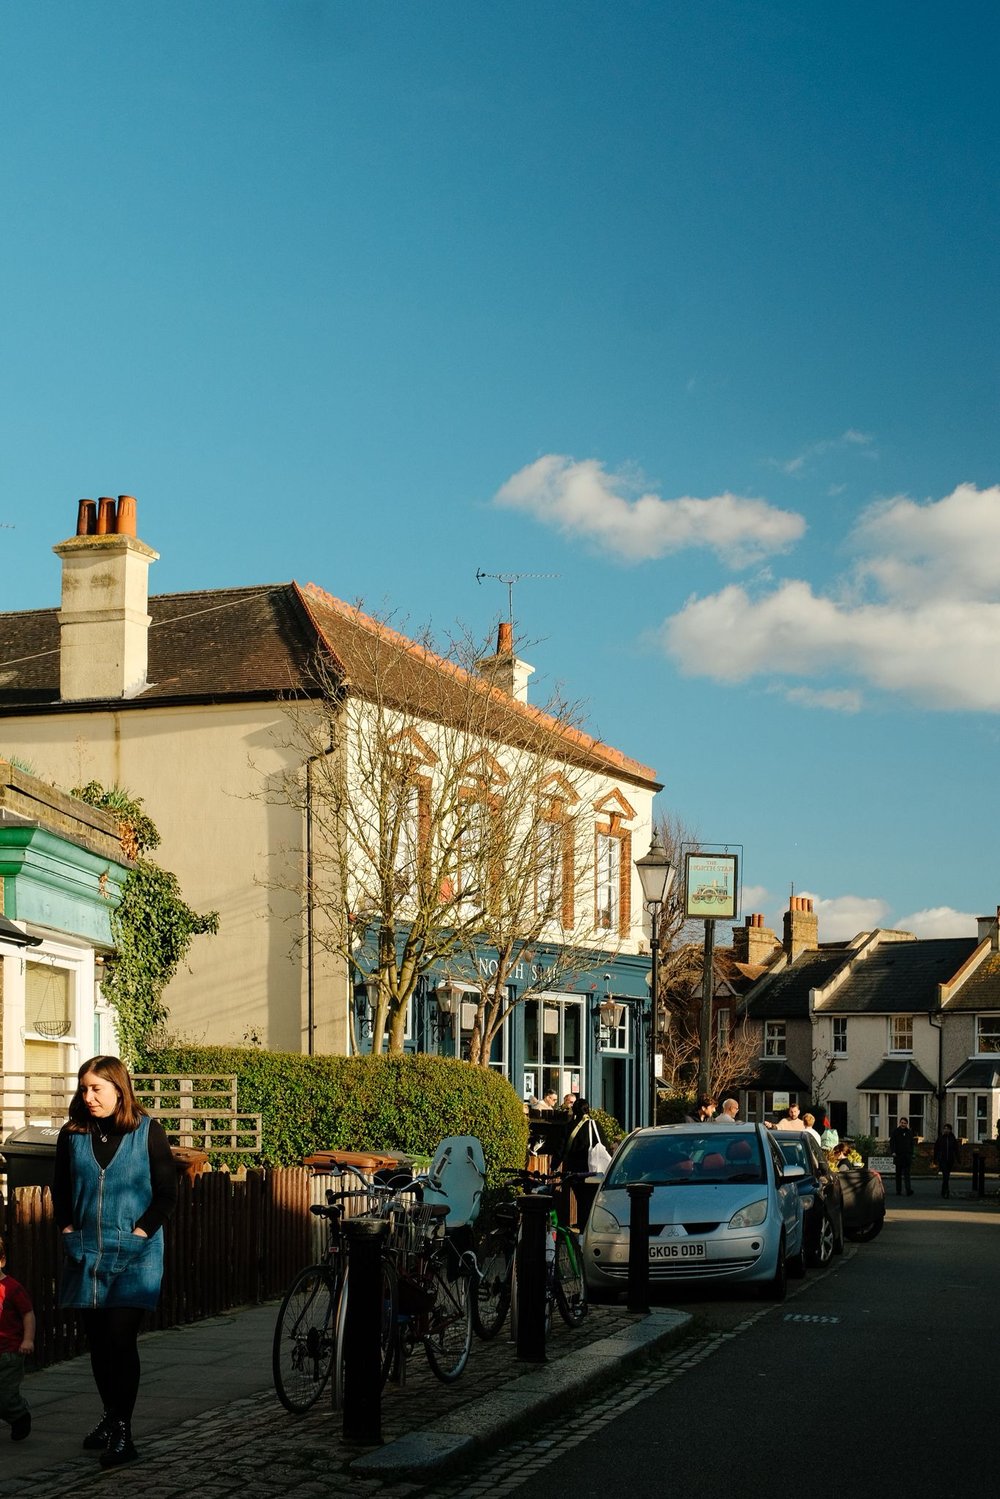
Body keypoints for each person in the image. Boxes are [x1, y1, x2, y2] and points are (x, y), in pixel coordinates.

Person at [53, 1055, 178, 1469]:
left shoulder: (148, 1132)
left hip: (137, 1255)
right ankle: (110, 1417)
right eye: (83, 1088)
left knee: (121, 1339)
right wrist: (69, 1232)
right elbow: (60, 1192)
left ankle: (123, 1432)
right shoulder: (72, 1135)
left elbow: (166, 1194)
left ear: (119, 1090)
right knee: (99, 1344)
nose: (88, 1097)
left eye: (97, 1089)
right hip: (85, 1252)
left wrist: (140, 1233)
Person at [0, 1235, 35, 1442]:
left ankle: (18, 1413)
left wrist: (28, 1339)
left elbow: (28, 1314)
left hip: (10, 1353)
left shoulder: (12, 1288)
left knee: (4, 1396)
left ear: (2, 1260)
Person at [933, 1122, 961, 1198]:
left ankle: (943, 1190)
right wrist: (935, 1159)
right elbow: (936, 1149)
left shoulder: (953, 1139)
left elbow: (956, 1149)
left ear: (950, 1130)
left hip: (950, 1160)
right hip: (942, 1160)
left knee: (947, 1176)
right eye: (945, 1129)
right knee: (945, 1175)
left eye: (947, 1129)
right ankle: (946, 1191)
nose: (946, 1130)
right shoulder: (941, 1138)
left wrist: (958, 1159)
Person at [889, 1116, 915, 1196]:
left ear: (907, 1124)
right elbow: (892, 1143)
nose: (903, 1124)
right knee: (898, 1175)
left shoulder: (909, 1132)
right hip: (898, 1155)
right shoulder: (895, 1132)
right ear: (900, 1123)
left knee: (907, 1174)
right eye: (902, 1123)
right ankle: (898, 1190)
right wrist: (893, 1152)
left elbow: (912, 1144)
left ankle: (908, 1190)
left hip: (907, 1156)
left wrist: (911, 1153)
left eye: (904, 1123)